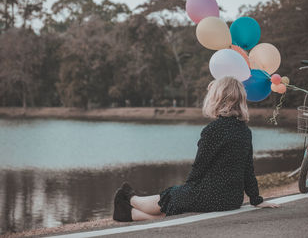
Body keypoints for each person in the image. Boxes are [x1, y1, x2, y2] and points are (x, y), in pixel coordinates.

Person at [112, 76, 279, 222]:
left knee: (172, 195)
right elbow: (248, 169)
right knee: (175, 203)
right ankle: (130, 214)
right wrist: (256, 200)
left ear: (217, 99)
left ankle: (129, 198)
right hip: (232, 199)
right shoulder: (245, 131)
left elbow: (200, 166)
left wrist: (186, 190)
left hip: (210, 196)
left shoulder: (213, 130)